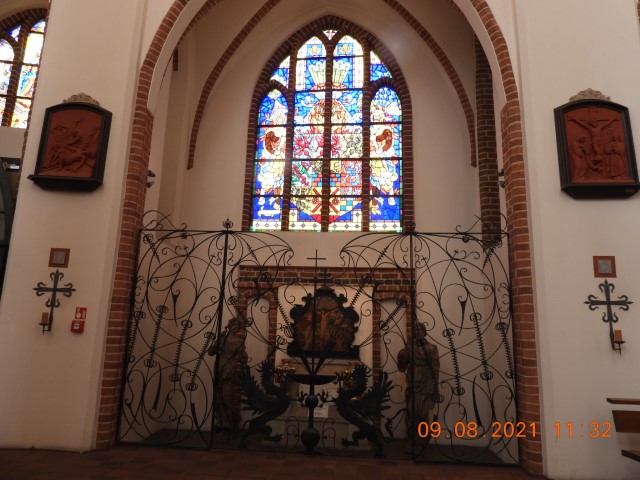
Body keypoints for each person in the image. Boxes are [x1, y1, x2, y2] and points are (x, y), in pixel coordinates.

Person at [397, 322, 440, 430]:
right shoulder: (410, 348)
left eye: (420, 329)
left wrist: (434, 385)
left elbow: (435, 368)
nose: (417, 332)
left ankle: (422, 435)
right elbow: (402, 367)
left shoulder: (432, 348)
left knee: (423, 413)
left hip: (426, 384)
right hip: (413, 384)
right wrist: (403, 354)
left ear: (424, 332)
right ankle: (412, 434)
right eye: (415, 330)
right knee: (411, 410)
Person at [208, 317, 248, 430]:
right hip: (219, 367)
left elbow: (244, 358)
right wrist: (218, 340)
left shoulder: (239, 340)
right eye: (233, 324)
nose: (234, 326)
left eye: (236, 324)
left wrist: (243, 359)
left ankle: (229, 423)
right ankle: (220, 421)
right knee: (218, 397)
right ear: (229, 326)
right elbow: (210, 352)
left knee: (227, 396)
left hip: (229, 369)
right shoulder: (223, 338)